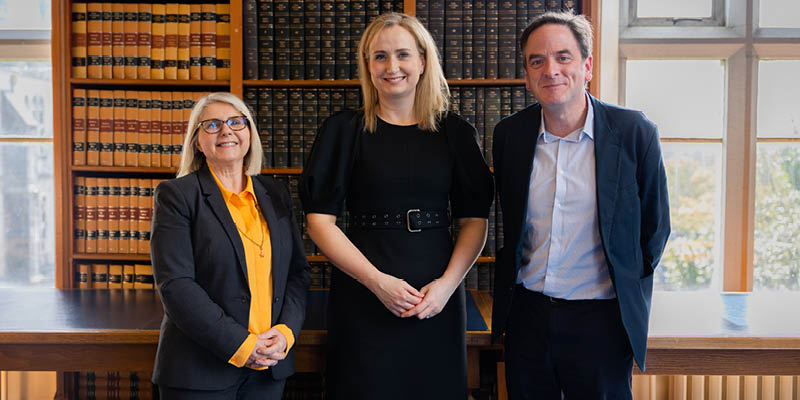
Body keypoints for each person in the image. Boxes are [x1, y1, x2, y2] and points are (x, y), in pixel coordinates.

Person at [300, 12, 494, 400]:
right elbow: (319, 223)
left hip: (436, 296)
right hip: (363, 294)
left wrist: (445, 287)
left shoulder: (455, 133)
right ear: (368, 66)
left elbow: (474, 220)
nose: (392, 67)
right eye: (380, 57)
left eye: (403, 55)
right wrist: (378, 283)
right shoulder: (342, 131)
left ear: (423, 62)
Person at [491, 11, 671, 399]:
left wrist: (622, 281)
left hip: (601, 322)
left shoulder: (634, 133)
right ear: (526, 75)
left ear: (587, 66)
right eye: (536, 61)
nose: (550, 69)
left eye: (563, 57)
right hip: (528, 317)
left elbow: (655, 229)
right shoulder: (510, 135)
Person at [150, 92, 310, 399]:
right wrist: (243, 345)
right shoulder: (177, 195)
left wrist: (286, 333)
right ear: (197, 141)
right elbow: (176, 286)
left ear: (249, 132)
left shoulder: (276, 193)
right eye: (212, 125)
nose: (226, 131)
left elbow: (297, 274)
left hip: (268, 370)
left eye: (236, 122)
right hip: (199, 371)